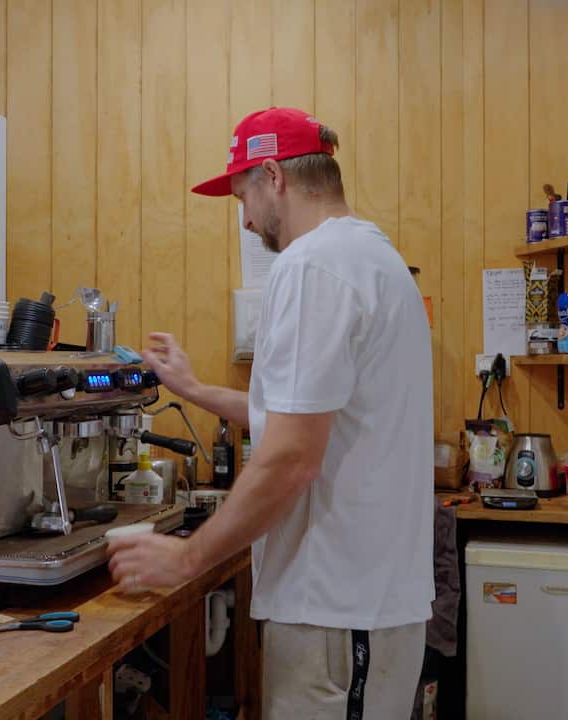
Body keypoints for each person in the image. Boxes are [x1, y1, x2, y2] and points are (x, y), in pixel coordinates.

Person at [106, 106, 435, 718]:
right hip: (356, 611)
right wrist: (195, 388)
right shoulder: (369, 255)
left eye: (243, 196)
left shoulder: (313, 266)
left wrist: (186, 558)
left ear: (275, 175)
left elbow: (290, 458)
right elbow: (304, 417)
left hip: (338, 611)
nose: (246, 218)